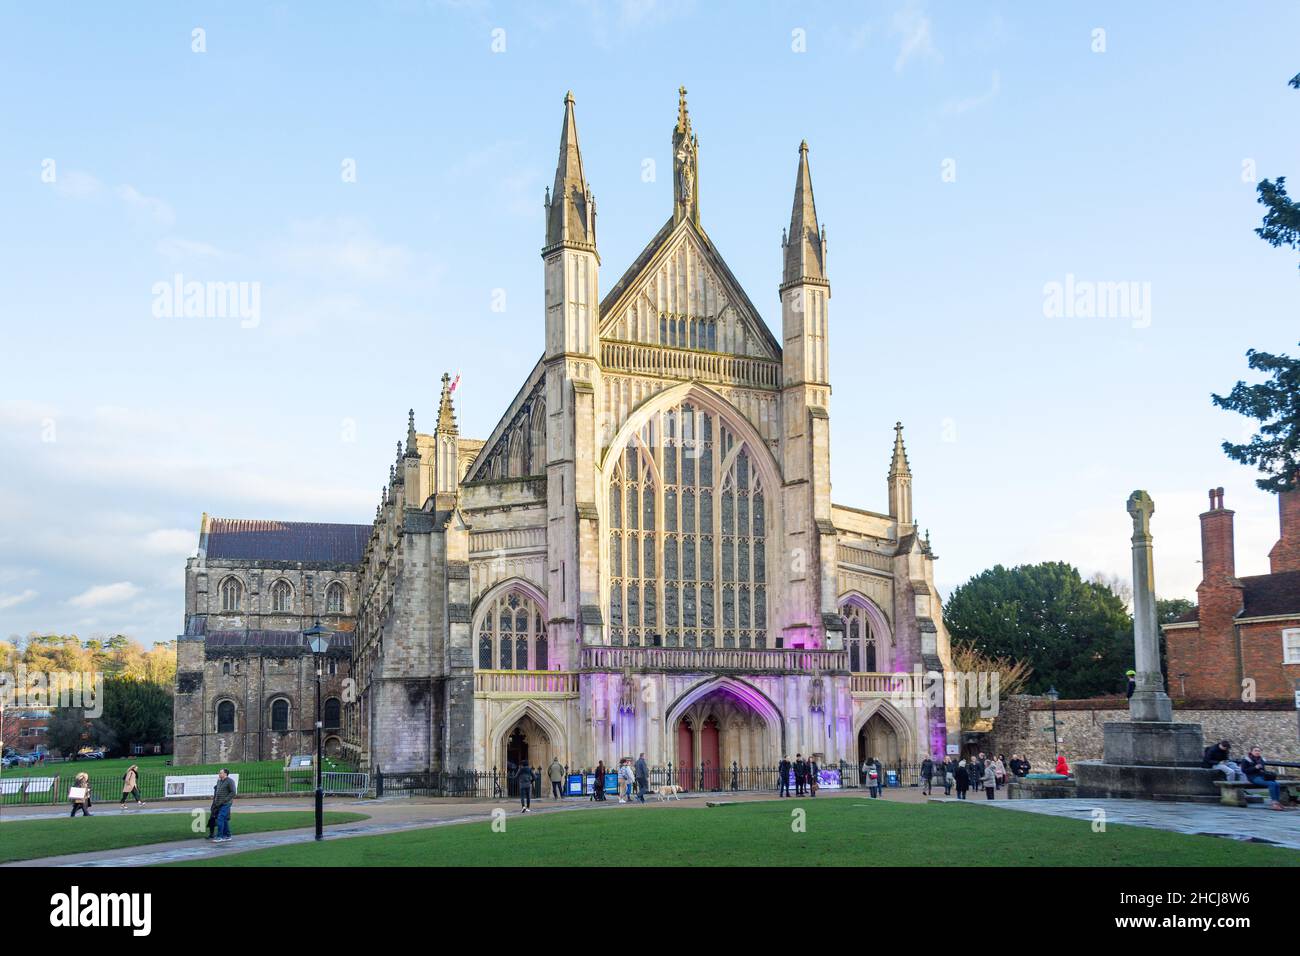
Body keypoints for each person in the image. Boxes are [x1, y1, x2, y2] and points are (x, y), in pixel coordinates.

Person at [1240, 746, 1287, 811]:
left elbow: (1263, 769)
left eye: (1259, 751)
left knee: (1277, 784)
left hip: (1262, 776)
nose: (1257, 752)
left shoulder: (1261, 759)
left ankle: (1277, 802)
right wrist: (1255, 768)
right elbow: (1244, 771)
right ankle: (1274, 804)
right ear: (1251, 751)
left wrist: (1265, 772)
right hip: (1253, 777)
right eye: (1255, 750)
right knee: (1272, 784)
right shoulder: (1246, 759)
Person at [212, 768, 236, 842]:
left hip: (226, 803)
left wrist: (225, 800)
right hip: (218, 803)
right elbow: (217, 791)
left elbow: (233, 792)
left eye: (220, 773)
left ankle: (219, 836)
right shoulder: (219, 781)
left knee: (220, 818)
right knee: (224, 820)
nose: (219, 774)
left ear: (225, 774)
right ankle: (228, 835)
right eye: (219, 773)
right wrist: (215, 801)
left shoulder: (230, 781)